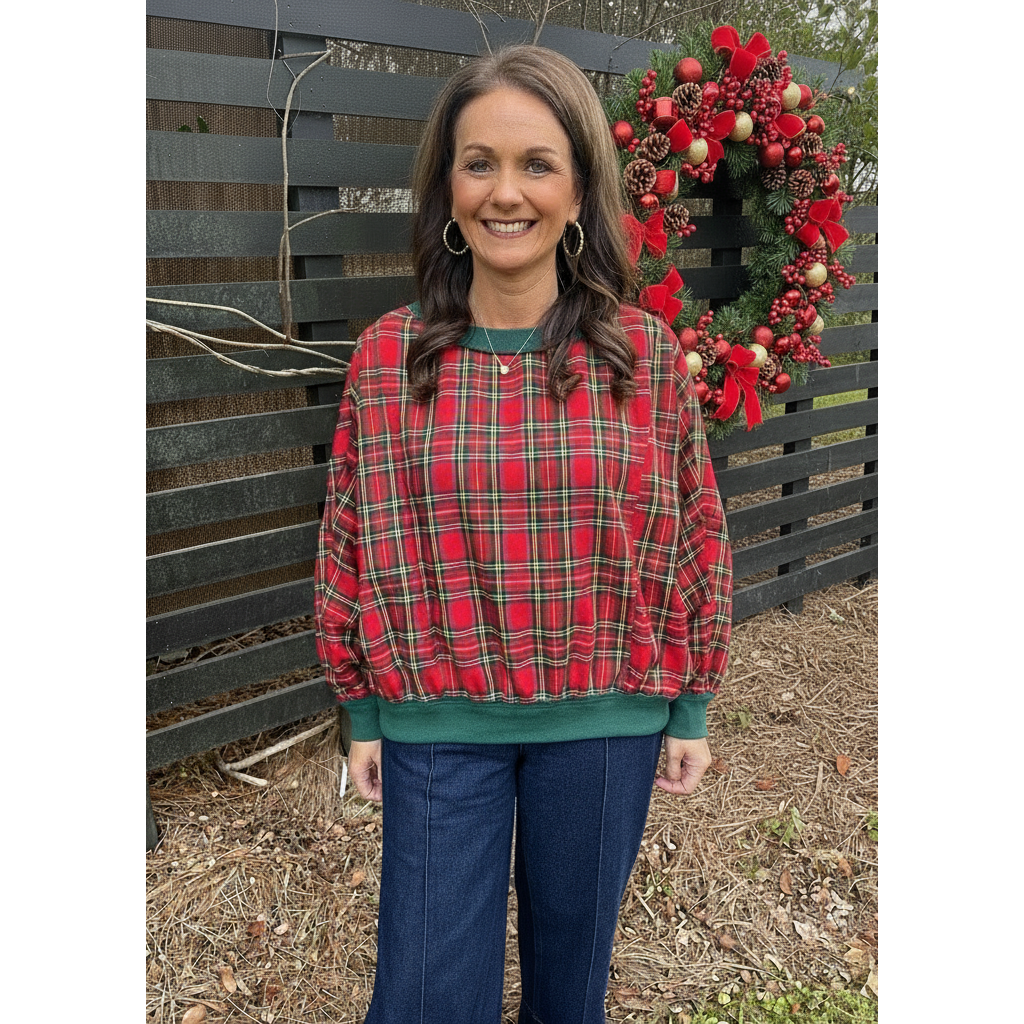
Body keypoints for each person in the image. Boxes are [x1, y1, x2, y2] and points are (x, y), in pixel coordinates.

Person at [314, 43, 732, 1024]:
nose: (507, 192)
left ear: (580, 189)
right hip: (436, 724)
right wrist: (362, 711)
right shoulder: (388, 358)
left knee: (568, 990)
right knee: (423, 998)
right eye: (480, 162)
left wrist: (692, 705)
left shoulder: (647, 358)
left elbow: (694, 536)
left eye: (537, 163)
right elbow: (349, 538)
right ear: (447, 188)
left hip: (603, 722)